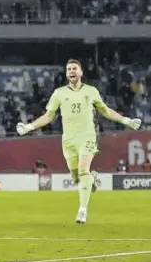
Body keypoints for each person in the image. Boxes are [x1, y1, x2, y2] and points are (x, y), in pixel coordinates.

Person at [16, 58, 141, 224]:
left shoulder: (91, 91)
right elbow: (48, 116)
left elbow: (105, 111)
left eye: (74, 68)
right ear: (67, 74)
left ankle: (82, 210)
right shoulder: (59, 93)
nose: (72, 71)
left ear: (81, 72)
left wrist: (127, 121)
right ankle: (93, 180)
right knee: (77, 178)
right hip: (68, 140)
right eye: (69, 69)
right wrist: (29, 127)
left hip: (88, 136)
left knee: (83, 171)